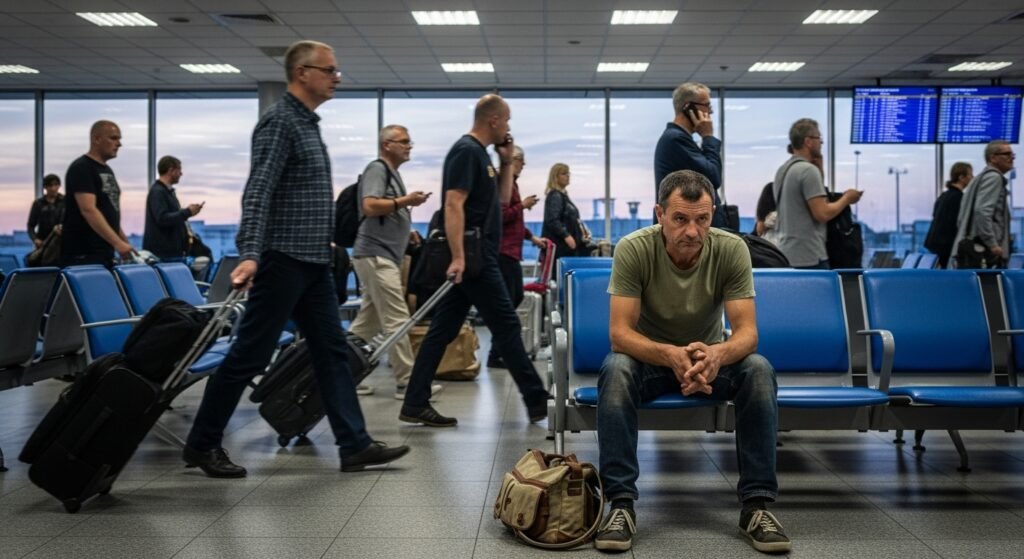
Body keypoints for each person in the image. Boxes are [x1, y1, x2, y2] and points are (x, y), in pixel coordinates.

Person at [182, 40, 409, 477]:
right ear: (302, 72)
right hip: (282, 260)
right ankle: (202, 443)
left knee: (332, 353)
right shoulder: (279, 123)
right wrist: (250, 253)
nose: (336, 77)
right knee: (249, 355)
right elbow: (258, 191)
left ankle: (354, 445)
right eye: (329, 70)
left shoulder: (307, 124)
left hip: (312, 263)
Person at [593, 170, 790, 554]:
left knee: (759, 370)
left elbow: (747, 333)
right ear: (660, 214)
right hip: (651, 361)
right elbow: (620, 334)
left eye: (702, 219)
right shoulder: (634, 248)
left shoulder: (731, 249)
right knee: (616, 368)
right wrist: (670, 354)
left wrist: (716, 355)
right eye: (680, 219)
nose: (693, 231)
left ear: (712, 214)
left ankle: (756, 505)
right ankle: (620, 505)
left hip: (707, 361)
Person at [399, 94, 549, 428]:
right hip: (473, 257)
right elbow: (453, 204)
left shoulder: (483, 156)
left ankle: (414, 401)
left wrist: (506, 162)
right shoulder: (466, 151)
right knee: (507, 325)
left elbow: (501, 200)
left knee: (443, 329)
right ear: (493, 119)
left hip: (478, 255)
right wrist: (458, 257)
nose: (508, 127)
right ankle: (537, 399)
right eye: (506, 120)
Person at [348, 124, 439, 399]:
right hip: (376, 255)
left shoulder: (392, 173)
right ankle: (408, 382)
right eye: (404, 141)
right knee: (397, 318)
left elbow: (385, 208)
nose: (409, 146)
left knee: (368, 324)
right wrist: (406, 201)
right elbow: (370, 205)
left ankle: (342, 374)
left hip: (383, 255)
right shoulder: (377, 169)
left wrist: (405, 228)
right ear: (387, 145)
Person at [772, 118, 861, 269]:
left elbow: (804, 204)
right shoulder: (808, 171)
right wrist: (847, 198)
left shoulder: (783, 170)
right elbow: (822, 213)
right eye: (819, 138)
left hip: (787, 252)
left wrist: (819, 171)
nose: (821, 143)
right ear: (808, 141)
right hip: (809, 256)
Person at [489, 146, 547, 369]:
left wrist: (531, 238)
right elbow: (501, 215)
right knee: (508, 302)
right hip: (503, 251)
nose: (523, 166)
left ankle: (498, 351)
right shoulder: (502, 184)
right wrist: (522, 206)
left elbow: (515, 221)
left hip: (511, 251)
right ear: (513, 160)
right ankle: (497, 352)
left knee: (511, 300)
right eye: (521, 161)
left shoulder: (511, 184)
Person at [61, 120, 134, 268]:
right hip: (83, 254)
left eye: (119, 139)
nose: (119, 144)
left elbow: (109, 213)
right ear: (97, 139)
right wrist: (117, 243)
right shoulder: (81, 168)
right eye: (113, 138)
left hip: (104, 253)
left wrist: (124, 242)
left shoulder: (107, 170)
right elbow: (88, 210)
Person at [653, 81, 727, 227]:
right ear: (688, 107)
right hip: (685, 229)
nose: (710, 112)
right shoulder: (676, 140)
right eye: (706, 105)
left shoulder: (679, 138)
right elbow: (713, 176)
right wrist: (708, 137)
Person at [952, 141, 1016, 269]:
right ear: (993, 158)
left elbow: (963, 216)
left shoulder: (979, 178)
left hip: (971, 247)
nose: (1012, 158)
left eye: (1012, 154)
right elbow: (982, 211)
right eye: (1007, 154)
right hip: (984, 251)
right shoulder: (994, 178)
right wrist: (992, 244)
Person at [143, 156, 204, 262]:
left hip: (171, 253)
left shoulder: (167, 192)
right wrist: (187, 212)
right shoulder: (158, 192)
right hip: (164, 255)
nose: (181, 173)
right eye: (179, 170)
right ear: (171, 170)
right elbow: (162, 218)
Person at [924, 162, 972, 268]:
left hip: (936, 244)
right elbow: (959, 223)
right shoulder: (959, 198)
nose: (972, 178)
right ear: (961, 177)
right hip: (948, 246)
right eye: (970, 175)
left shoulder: (943, 196)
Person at [542, 163, 589, 260]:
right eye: (564, 174)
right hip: (560, 247)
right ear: (555, 177)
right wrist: (566, 236)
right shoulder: (555, 196)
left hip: (567, 247)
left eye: (568, 173)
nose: (568, 176)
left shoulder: (563, 196)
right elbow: (552, 220)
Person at [27, 174, 65, 248]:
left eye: (56, 185)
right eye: (50, 185)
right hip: (44, 243)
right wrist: (35, 239)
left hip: (62, 242)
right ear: (45, 187)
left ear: (59, 186)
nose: (53, 188)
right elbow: (30, 225)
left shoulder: (65, 202)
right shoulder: (38, 204)